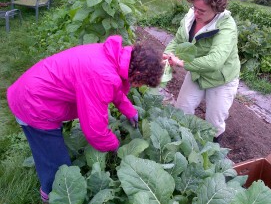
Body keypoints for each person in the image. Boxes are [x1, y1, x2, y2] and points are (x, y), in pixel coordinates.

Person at [7, 35, 164, 203]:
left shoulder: (113, 56)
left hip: (37, 91)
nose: (140, 86)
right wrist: (116, 146)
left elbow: (114, 87)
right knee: (58, 167)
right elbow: (94, 131)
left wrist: (128, 110)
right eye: (144, 83)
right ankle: (51, 195)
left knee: (49, 152)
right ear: (138, 74)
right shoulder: (102, 75)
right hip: (33, 104)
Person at [164, 0, 240, 143]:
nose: (196, 13)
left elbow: (215, 61)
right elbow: (177, 41)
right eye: (194, 7)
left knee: (214, 123)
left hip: (221, 79)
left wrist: (182, 63)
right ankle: (180, 143)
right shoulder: (190, 17)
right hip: (197, 73)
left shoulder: (226, 26)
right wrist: (167, 54)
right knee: (181, 111)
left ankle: (211, 154)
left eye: (202, 10)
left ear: (216, 9)